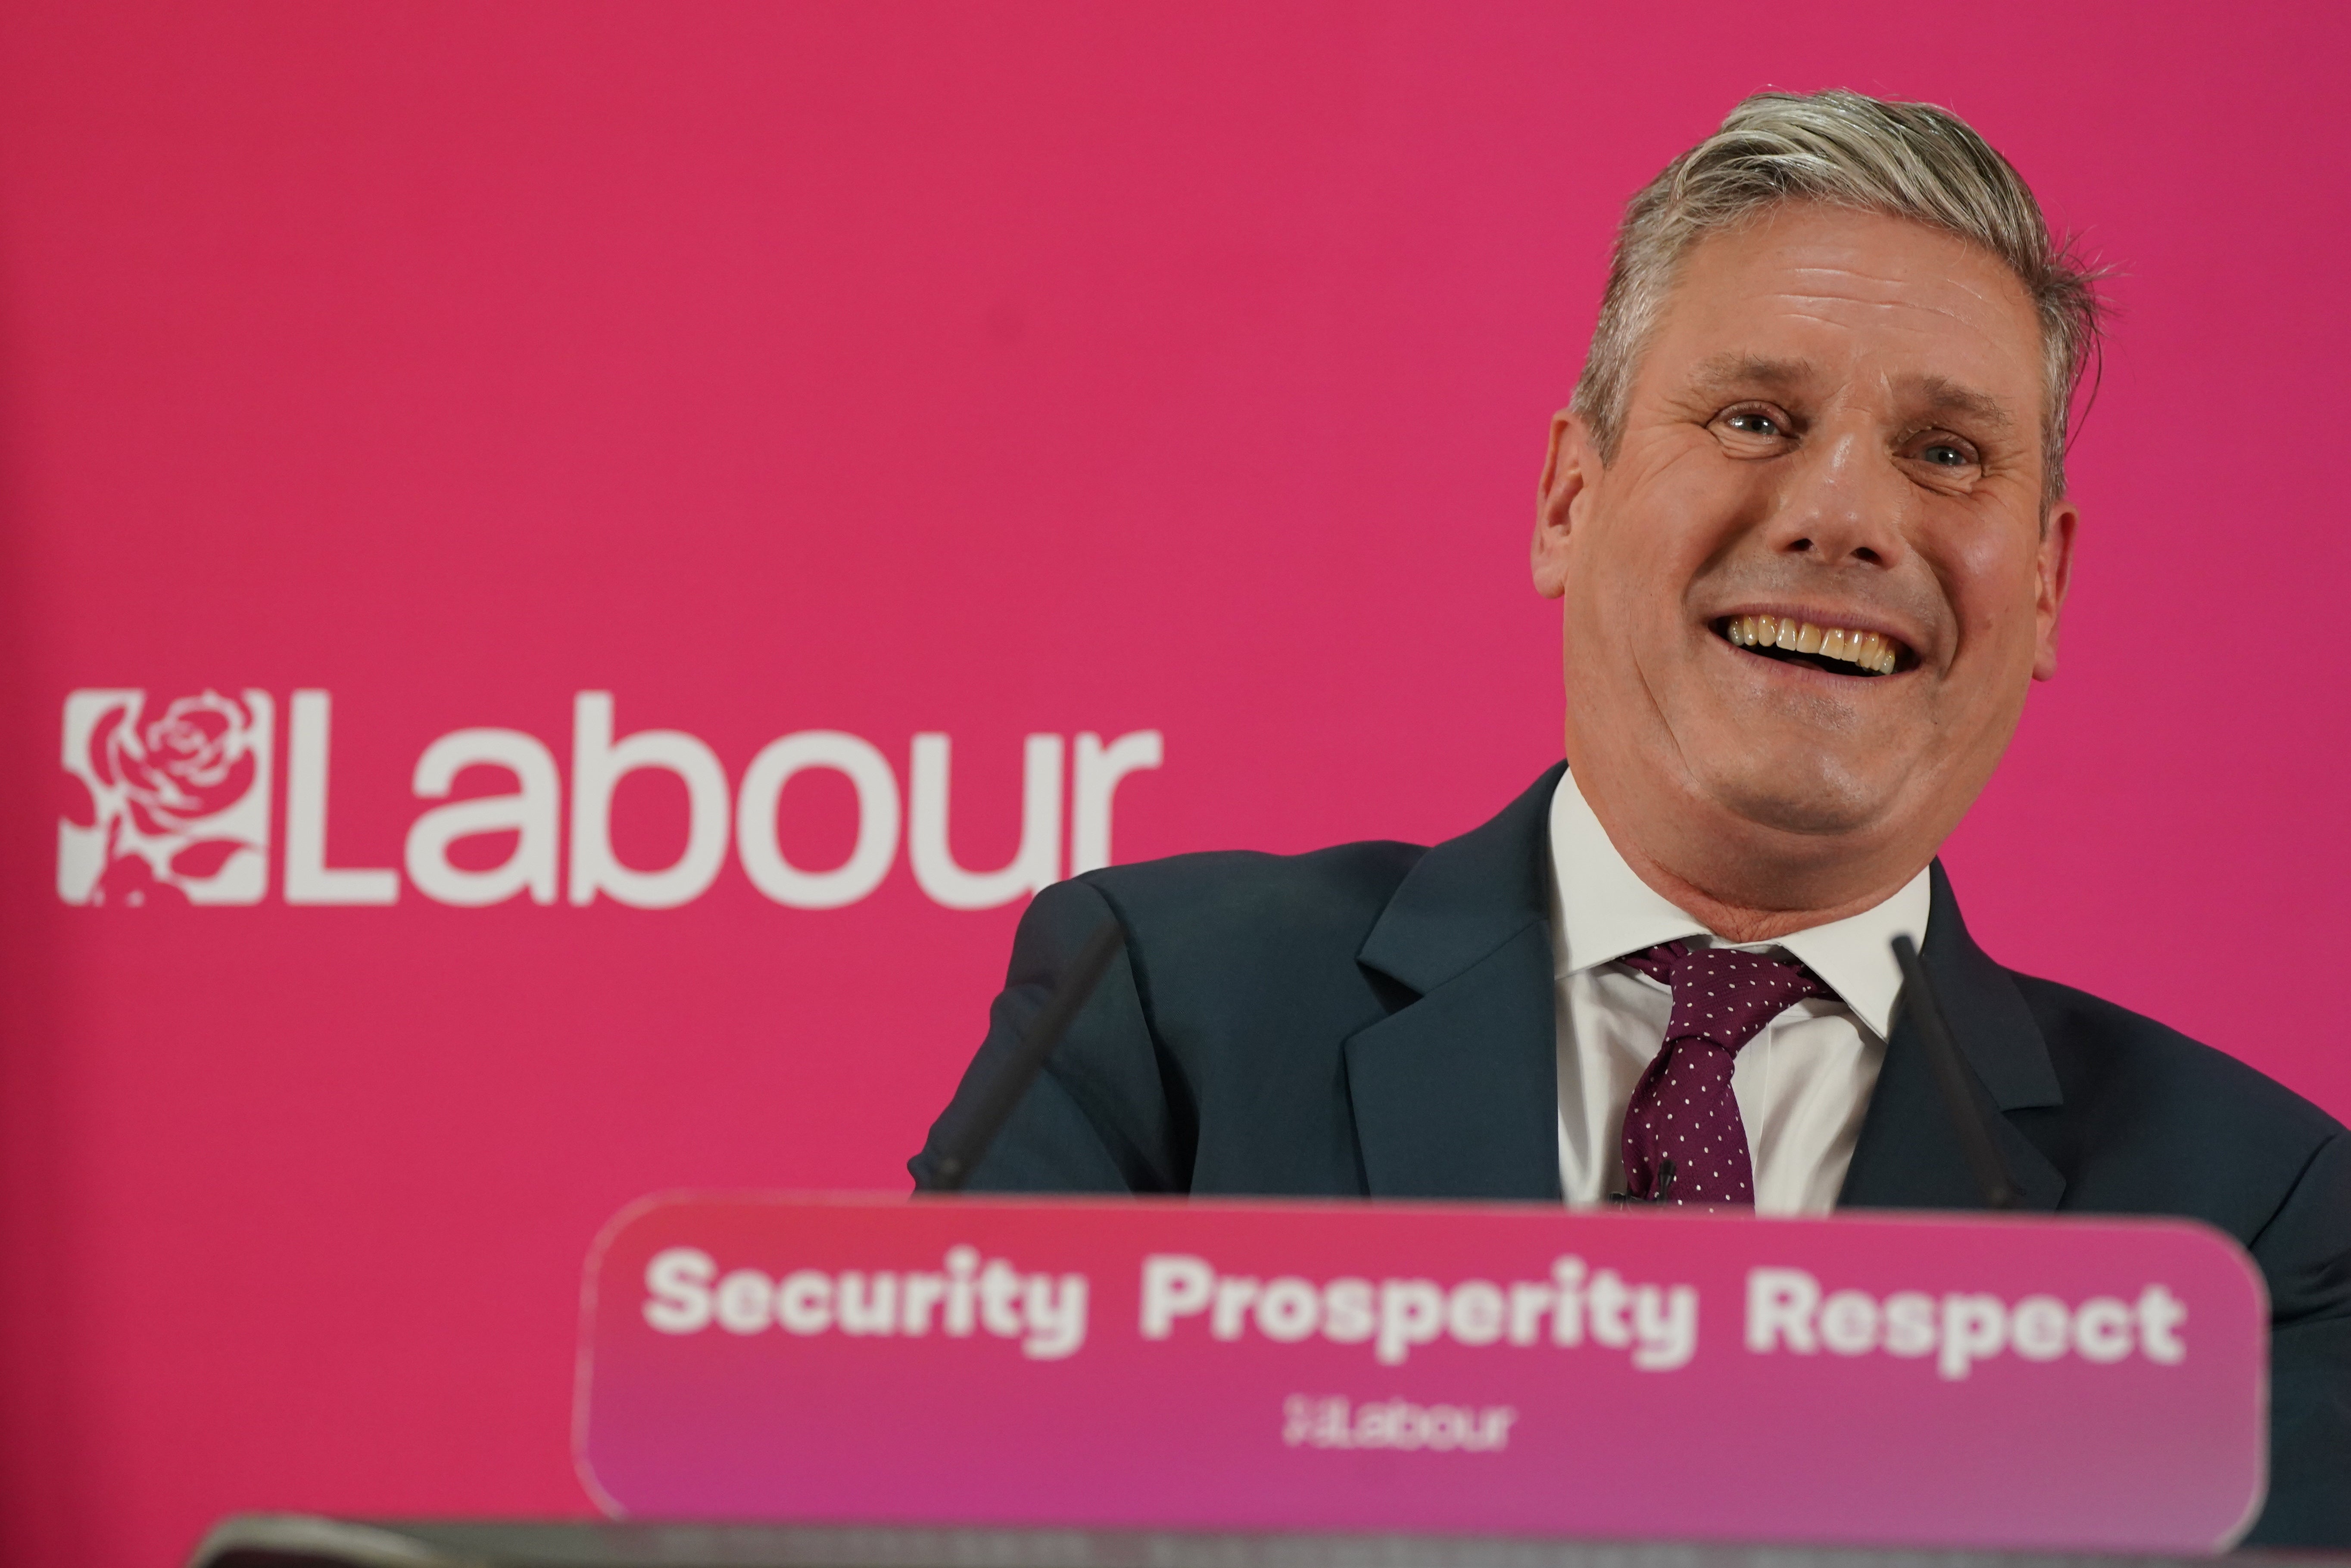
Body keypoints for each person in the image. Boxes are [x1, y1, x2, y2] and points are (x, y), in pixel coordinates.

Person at [910, 90, 2350, 1545]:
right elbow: (928, 1514)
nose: (1845, 513)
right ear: (1567, 498)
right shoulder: (1160, 1012)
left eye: (1949, 453)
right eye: (1754, 418)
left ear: (2042, 586)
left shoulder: (2250, 1228)